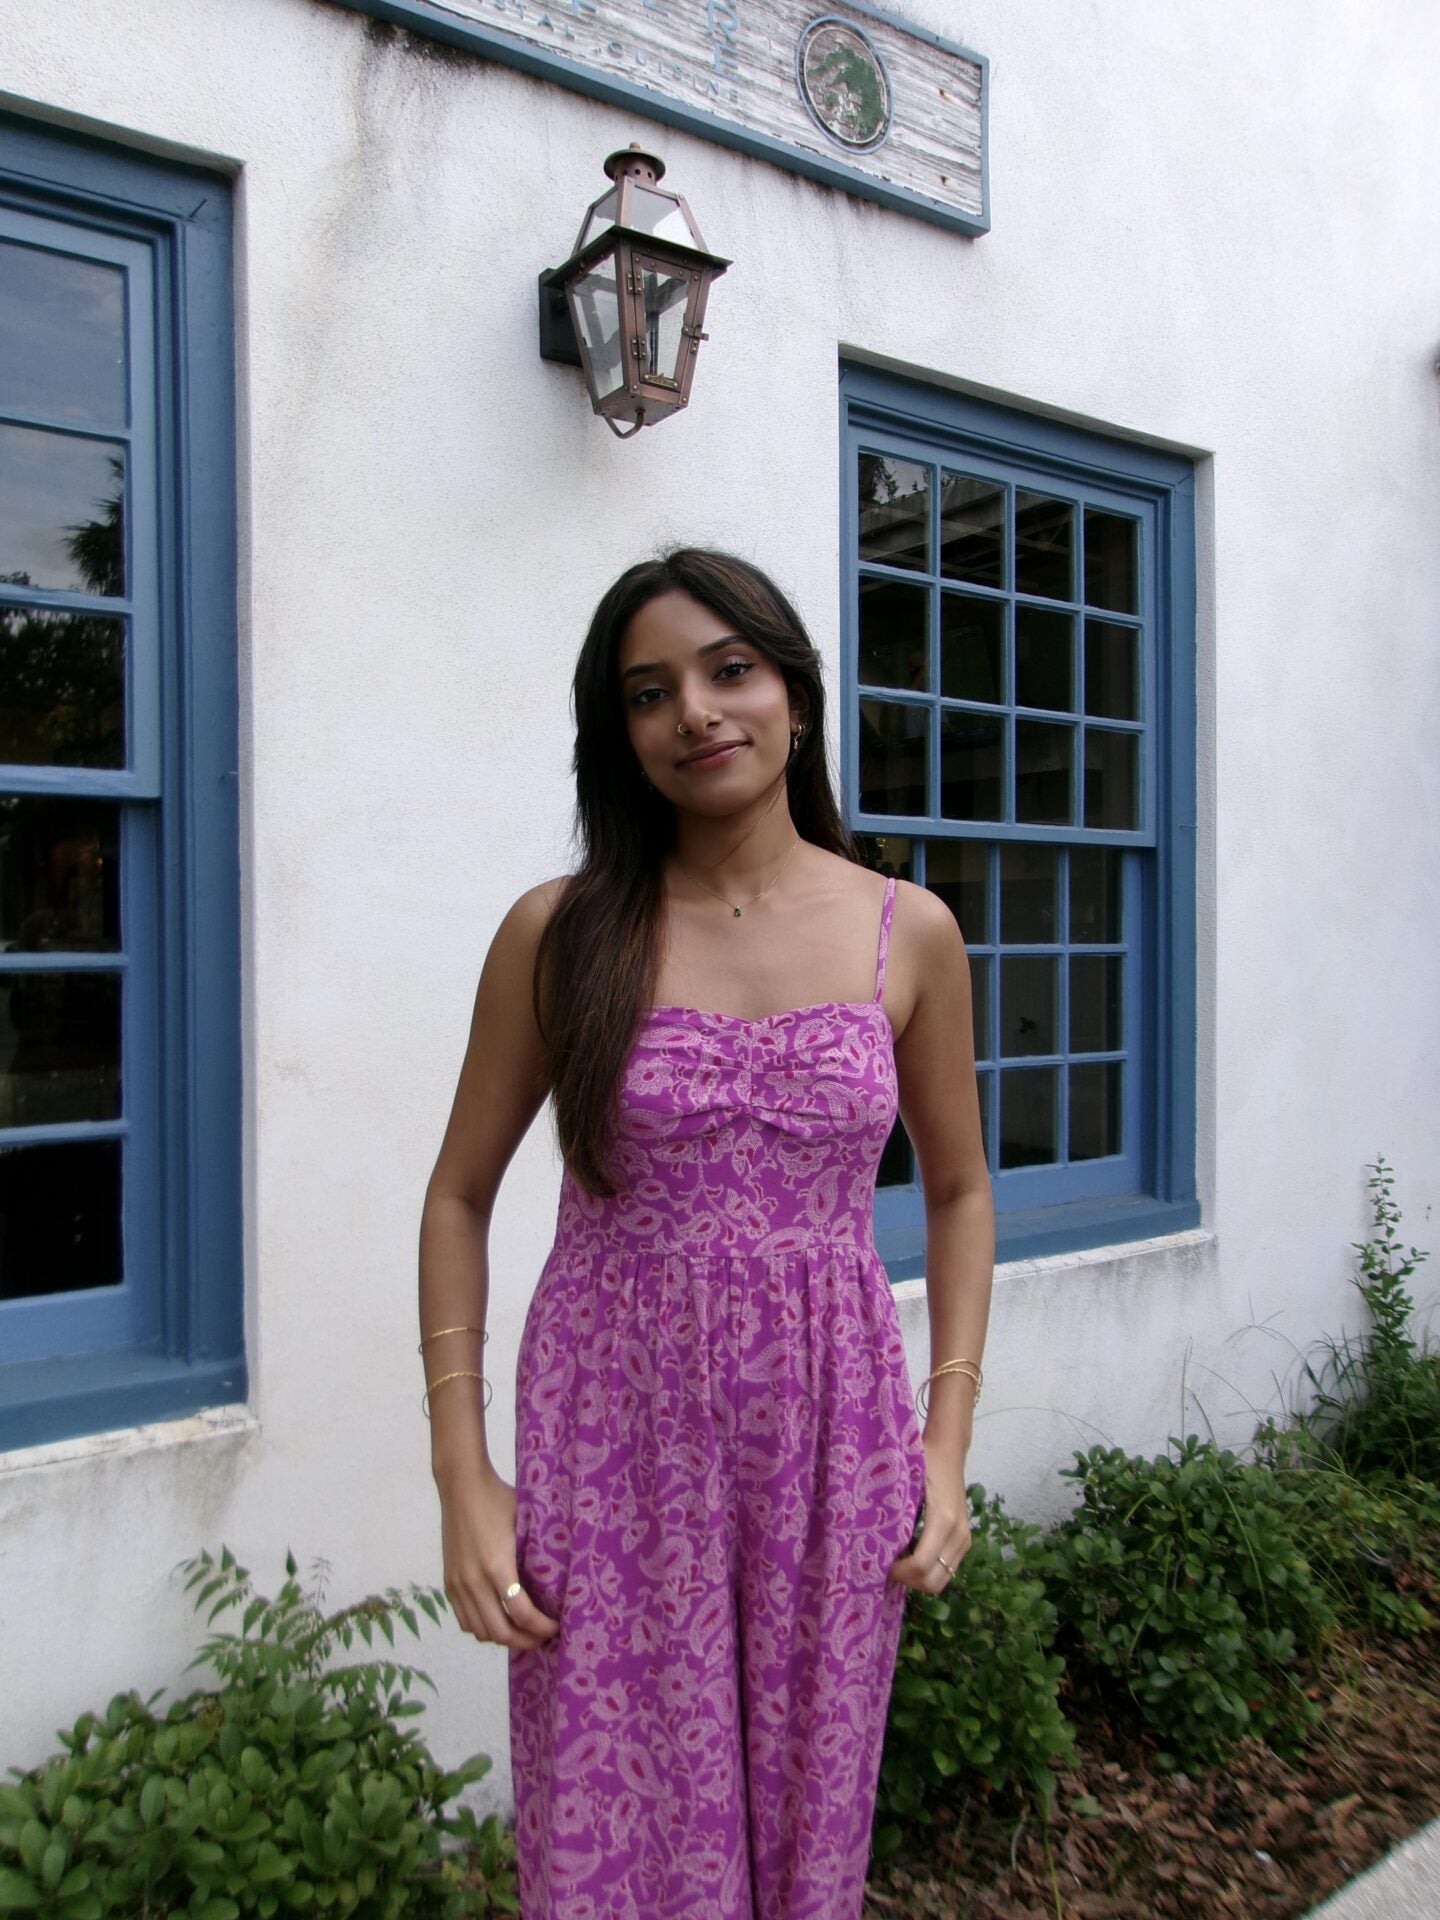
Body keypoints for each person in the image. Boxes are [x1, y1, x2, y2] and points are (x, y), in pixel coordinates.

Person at [418, 548, 995, 1919]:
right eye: (648, 691)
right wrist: (462, 1473)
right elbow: (457, 1195)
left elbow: (962, 1192)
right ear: (617, 733)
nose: (695, 710)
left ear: (794, 692)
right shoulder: (560, 934)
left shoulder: (909, 933)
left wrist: (946, 1442)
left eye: (730, 669)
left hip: (832, 1439)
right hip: (610, 1441)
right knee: (620, 1840)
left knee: (808, 1822)